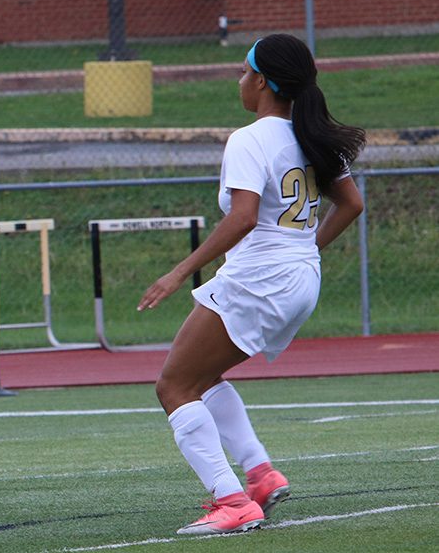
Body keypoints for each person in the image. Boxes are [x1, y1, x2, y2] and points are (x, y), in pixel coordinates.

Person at [137, 34, 365, 535]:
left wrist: (178, 272)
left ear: (262, 81)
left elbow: (242, 218)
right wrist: (304, 251)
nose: (239, 81)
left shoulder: (250, 138)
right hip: (300, 279)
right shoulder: (315, 133)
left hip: (260, 278)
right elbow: (351, 204)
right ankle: (260, 475)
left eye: (243, 72)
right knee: (203, 378)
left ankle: (232, 502)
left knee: (173, 386)